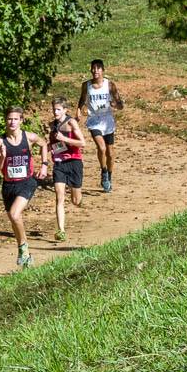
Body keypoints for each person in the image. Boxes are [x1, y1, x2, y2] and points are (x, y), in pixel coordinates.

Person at [0, 107, 49, 268]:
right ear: (5, 120)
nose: (12, 122)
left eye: (15, 119)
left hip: (27, 182)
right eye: (9, 119)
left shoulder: (29, 137)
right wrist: (2, 156)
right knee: (14, 218)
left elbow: (44, 144)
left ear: (21, 121)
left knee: (14, 214)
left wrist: (44, 165)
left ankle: (23, 248)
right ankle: (24, 251)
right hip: (9, 185)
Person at [78, 58, 124, 193]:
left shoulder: (110, 85)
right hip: (94, 121)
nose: (95, 70)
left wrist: (115, 105)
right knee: (101, 148)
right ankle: (103, 171)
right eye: (93, 68)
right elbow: (82, 98)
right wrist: (78, 110)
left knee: (110, 153)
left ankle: (109, 174)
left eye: (98, 68)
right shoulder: (86, 85)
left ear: (103, 70)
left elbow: (120, 104)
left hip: (107, 120)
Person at [48, 97, 85, 241]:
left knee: (75, 200)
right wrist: (49, 149)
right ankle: (61, 230)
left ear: (65, 110)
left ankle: (78, 198)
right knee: (59, 197)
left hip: (74, 162)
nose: (55, 112)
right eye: (54, 109)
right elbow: (53, 145)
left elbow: (82, 143)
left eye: (58, 109)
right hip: (59, 165)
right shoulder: (52, 125)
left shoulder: (71, 123)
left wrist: (64, 139)